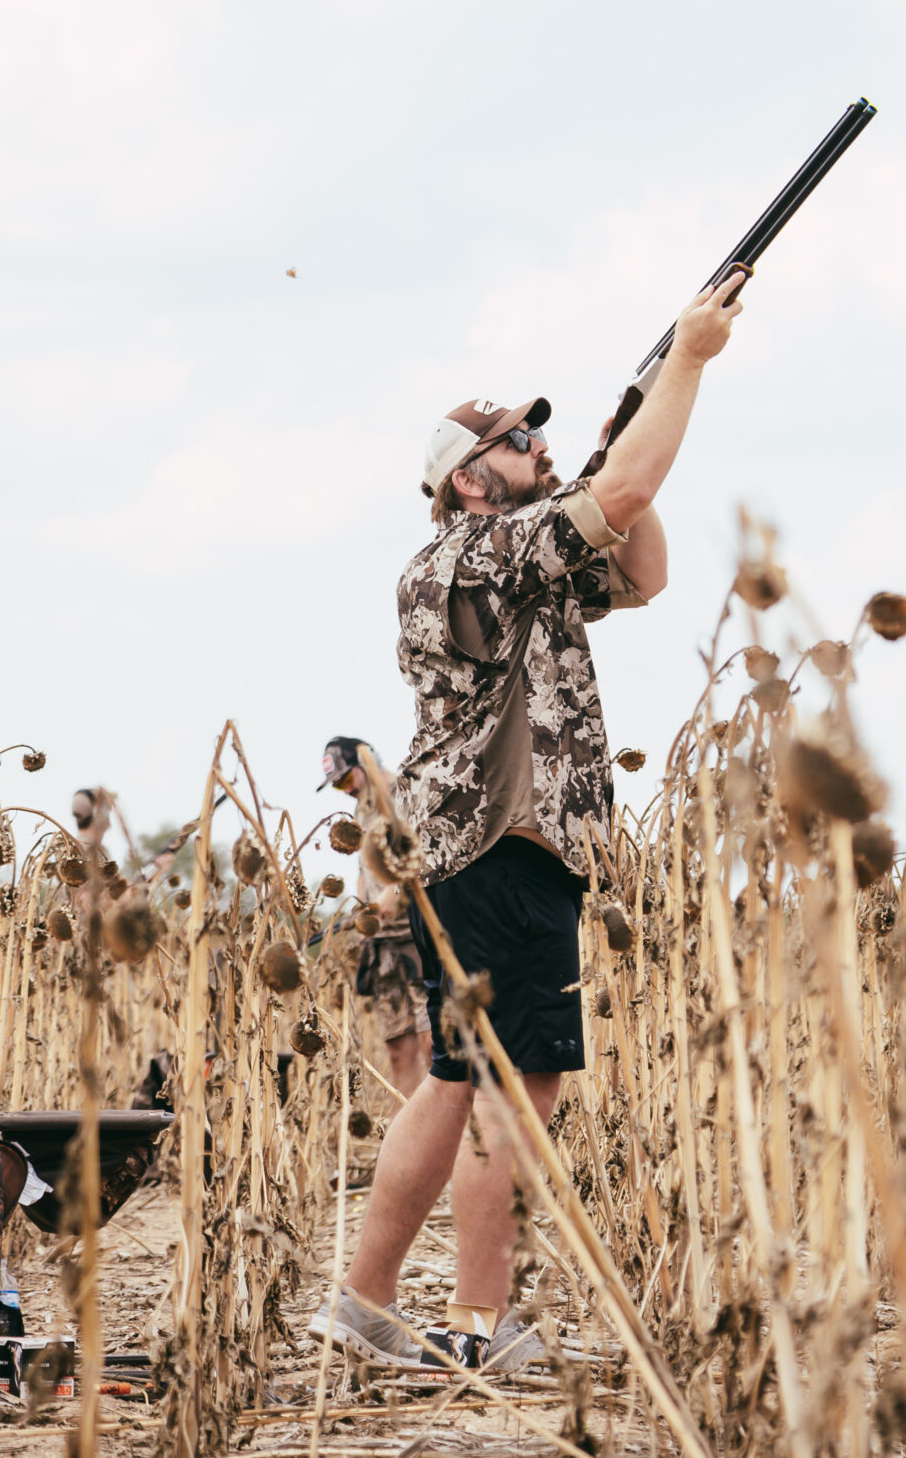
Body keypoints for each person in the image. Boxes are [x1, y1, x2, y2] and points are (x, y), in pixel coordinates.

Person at [311, 267, 743, 1374]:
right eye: (511, 446)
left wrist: (619, 445)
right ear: (464, 483)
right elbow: (626, 504)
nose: (532, 452)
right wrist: (685, 364)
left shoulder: (520, 560)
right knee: (516, 1081)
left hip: (494, 846)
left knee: (458, 1081)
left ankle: (363, 1308)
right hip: (504, 841)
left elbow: (640, 569)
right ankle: (478, 1323)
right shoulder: (475, 555)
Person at [318, 735, 429, 1108]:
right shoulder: (362, 812)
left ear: (366, 765)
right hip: (383, 946)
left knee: (436, 1044)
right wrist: (361, 908)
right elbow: (366, 871)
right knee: (399, 1050)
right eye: (338, 786)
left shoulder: (406, 794)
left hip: (419, 936)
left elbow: (426, 857)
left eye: (347, 780)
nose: (345, 791)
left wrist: (394, 895)